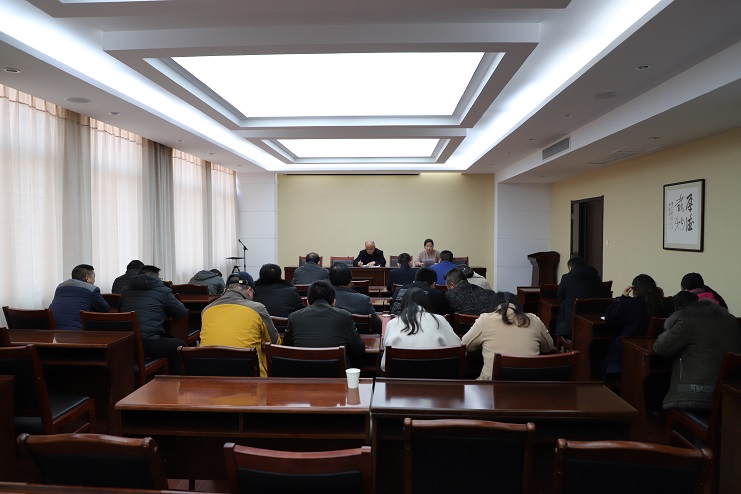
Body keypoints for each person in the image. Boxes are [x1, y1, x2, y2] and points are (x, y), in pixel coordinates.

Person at [655, 295, 741, 411]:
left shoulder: (686, 321)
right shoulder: (731, 320)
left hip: (697, 395)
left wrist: (668, 330)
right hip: (730, 394)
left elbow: (660, 347)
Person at [200, 271, 279, 376]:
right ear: (249, 291)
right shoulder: (257, 309)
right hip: (249, 376)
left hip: (209, 373)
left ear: (225, 290)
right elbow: (274, 343)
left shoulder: (206, 310)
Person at [462, 291, 555, 380]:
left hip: (492, 386)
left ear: (494, 306)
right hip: (530, 384)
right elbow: (548, 347)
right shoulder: (534, 320)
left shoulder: (485, 319)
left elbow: (465, 345)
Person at [602, 274, 673, 380]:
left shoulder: (630, 304)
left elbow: (609, 317)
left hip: (628, 353)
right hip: (658, 354)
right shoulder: (664, 304)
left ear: (634, 289)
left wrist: (622, 297)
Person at [118, 265, 187, 373]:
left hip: (127, 343)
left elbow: (120, 310)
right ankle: (174, 379)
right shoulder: (163, 291)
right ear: (156, 278)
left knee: (167, 338)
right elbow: (181, 312)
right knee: (180, 345)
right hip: (149, 343)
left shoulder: (125, 291)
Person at [282, 280, 366, 367]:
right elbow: (359, 349)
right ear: (334, 302)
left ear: (307, 303)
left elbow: (285, 349)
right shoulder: (345, 316)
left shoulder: (294, 317)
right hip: (336, 373)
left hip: (302, 372)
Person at [381, 287, 461, 372]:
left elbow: (384, 366)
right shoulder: (440, 320)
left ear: (403, 303)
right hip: (436, 376)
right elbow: (459, 348)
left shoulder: (392, 323)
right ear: (426, 303)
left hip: (399, 378)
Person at [554, 257, 609, 338]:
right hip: (595, 317)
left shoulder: (566, 277)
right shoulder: (596, 277)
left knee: (565, 304)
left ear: (570, 267)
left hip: (573, 322)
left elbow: (560, 295)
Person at [49, 264, 110, 330]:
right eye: (94, 277)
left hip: (53, 330)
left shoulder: (60, 287)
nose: (94, 280)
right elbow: (105, 309)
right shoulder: (91, 289)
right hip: (77, 331)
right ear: (87, 278)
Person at [329, 263, 382, 334]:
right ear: (350, 280)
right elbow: (378, 326)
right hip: (361, 338)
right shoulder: (363, 300)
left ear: (329, 280)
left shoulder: (324, 299)